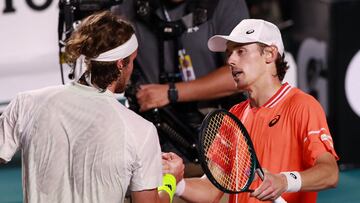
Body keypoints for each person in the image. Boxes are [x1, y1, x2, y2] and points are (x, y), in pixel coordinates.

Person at [0, 11, 184, 203]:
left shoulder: (27, 103)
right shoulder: (141, 131)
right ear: (121, 64)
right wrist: (171, 180)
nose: (133, 68)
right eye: (132, 60)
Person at [166, 19, 339, 203]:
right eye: (229, 53)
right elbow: (210, 189)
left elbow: (330, 173)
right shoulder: (234, 115)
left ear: (270, 54)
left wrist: (285, 181)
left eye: (241, 51)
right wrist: (176, 183)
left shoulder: (303, 106)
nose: (230, 61)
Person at [112, 0, 250, 161]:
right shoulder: (126, 7)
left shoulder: (225, 4)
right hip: (155, 139)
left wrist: (171, 92)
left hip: (217, 135)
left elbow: (243, 74)